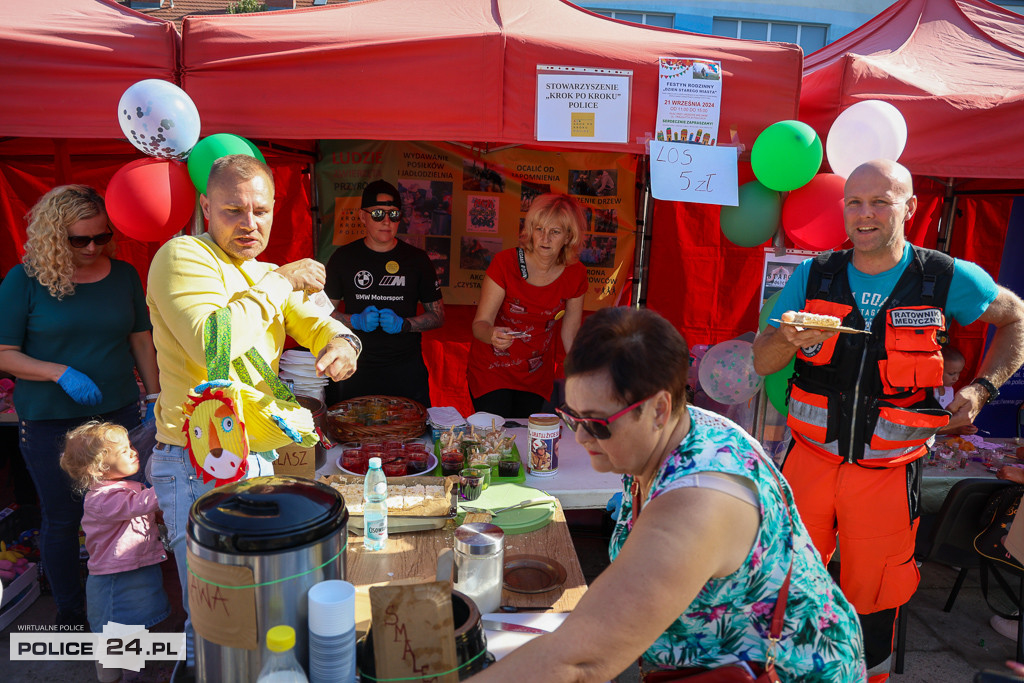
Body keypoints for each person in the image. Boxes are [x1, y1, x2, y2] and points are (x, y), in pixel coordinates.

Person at [469, 307, 866, 682]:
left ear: (659, 409)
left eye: (596, 423)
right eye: (572, 415)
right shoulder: (677, 428)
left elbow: (579, 660)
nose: (581, 436)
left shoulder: (698, 504)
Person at [752, 159, 1024, 682]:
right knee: (787, 586)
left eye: (881, 201)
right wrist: (786, 337)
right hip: (807, 466)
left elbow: (1015, 319)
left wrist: (982, 389)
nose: (865, 214)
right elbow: (761, 361)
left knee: (875, 600)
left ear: (910, 207)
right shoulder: (814, 275)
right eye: (854, 201)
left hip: (888, 475)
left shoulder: (943, 277)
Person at [146, 154, 360, 670]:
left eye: (260, 211)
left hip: (261, 461)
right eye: (233, 211)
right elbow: (213, 344)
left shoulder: (266, 273)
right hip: (199, 462)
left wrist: (344, 343)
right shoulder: (182, 256)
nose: (250, 224)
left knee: (267, 611)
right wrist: (281, 282)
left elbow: (319, 323)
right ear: (206, 207)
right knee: (217, 619)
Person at [0, 185, 159, 628]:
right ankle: (71, 614)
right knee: (64, 517)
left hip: (121, 414)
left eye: (101, 237)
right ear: (54, 235)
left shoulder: (124, 274)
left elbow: (140, 338)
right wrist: (59, 372)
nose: (92, 247)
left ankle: (129, 608)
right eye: (79, 239)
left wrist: (154, 396)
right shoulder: (25, 279)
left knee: (127, 508)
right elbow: (3, 351)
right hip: (51, 421)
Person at [60, 421, 169, 683]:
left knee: (133, 630)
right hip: (115, 579)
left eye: (130, 445)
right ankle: (109, 678)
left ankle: (131, 675)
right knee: (113, 635)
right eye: (123, 451)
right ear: (99, 468)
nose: (133, 451)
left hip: (136, 571)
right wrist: (172, 480)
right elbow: (141, 504)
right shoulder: (102, 498)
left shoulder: (127, 487)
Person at [324, 179, 444, 407]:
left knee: (411, 437)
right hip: (354, 365)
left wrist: (405, 324)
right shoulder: (344, 258)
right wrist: (354, 320)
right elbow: (320, 312)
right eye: (378, 213)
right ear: (362, 216)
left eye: (394, 214)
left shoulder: (417, 260)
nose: (386, 221)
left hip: (405, 370)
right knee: (354, 436)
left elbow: (438, 316)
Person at [467, 193, 587, 418]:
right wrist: (492, 334)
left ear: (569, 236)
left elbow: (570, 334)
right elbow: (480, 324)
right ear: (530, 228)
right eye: (539, 229)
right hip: (492, 370)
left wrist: (580, 374)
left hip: (535, 374)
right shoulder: (506, 262)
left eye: (555, 232)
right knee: (496, 437)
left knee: (525, 439)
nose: (545, 238)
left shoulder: (576, 273)